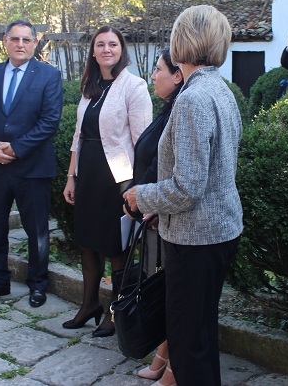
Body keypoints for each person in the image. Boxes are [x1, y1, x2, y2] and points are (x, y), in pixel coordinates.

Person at [123, 5, 243, 386]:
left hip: (196, 239)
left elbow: (187, 187)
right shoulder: (220, 89)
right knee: (201, 336)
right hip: (218, 232)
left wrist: (142, 196)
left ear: (180, 43)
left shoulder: (192, 98)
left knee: (189, 345)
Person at [62, 25, 152, 337]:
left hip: (117, 179)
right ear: (93, 51)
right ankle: (88, 305)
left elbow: (143, 142)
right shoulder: (90, 85)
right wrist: (71, 177)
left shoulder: (134, 86)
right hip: (87, 174)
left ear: (121, 49)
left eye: (112, 44)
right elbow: (78, 136)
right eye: (100, 44)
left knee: (116, 247)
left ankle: (115, 313)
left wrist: (138, 187)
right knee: (87, 243)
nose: (106, 49)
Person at [0, 19, 62, 306]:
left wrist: (16, 148)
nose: (20, 44)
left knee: (36, 230)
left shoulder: (49, 75)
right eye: (15, 39)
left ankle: (37, 285)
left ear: (35, 43)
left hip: (32, 168)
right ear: (5, 41)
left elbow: (50, 121)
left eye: (26, 39)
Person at [124, 48, 183, 386]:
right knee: (159, 286)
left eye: (159, 69)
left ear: (177, 75)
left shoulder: (182, 109)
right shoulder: (167, 108)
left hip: (165, 213)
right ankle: (163, 355)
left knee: (169, 291)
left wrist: (143, 201)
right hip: (151, 211)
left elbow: (167, 168)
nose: (153, 76)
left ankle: (173, 366)